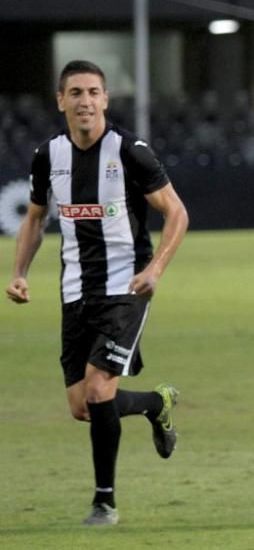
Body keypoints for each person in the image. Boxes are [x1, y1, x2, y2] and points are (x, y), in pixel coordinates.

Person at [5, 60, 189, 525]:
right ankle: (155, 403)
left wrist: (156, 269)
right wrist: (20, 272)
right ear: (60, 101)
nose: (85, 101)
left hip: (126, 289)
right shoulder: (48, 155)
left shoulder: (130, 151)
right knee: (83, 406)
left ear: (105, 99)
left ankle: (104, 501)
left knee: (99, 387)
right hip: (75, 292)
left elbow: (177, 213)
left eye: (93, 92)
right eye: (75, 93)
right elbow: (34, 219)